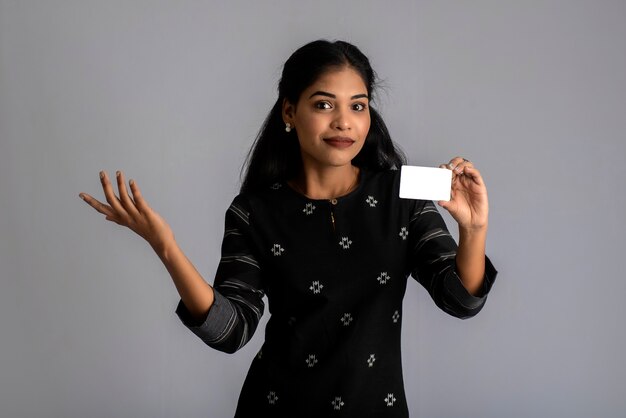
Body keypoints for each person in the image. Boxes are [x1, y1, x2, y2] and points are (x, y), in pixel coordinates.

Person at [79, 39, 497, 417]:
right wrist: (165, 246)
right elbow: (230, 330)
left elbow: (461, 301)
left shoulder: (402, 195)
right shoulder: (254, 212)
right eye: (323, 104)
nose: (343, 122)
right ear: (289, 112)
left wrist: (473, 229)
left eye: (358, 105)